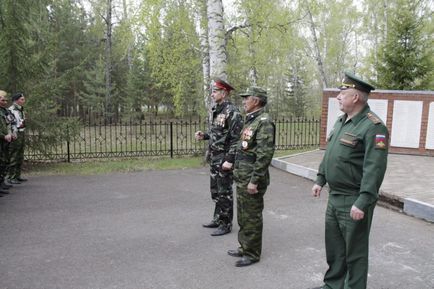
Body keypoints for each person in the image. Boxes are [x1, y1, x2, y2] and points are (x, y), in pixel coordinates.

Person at [310, 71, 389, 289]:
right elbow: (330, 155)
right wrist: (320, 179)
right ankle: (333, 285)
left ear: (355, 97)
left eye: (343, 92)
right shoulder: (342, 121)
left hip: (353, 199)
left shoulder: (374, 127)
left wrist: (363, 201)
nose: (338, 96)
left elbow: (375, 168)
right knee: (335, 249)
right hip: (335, 197)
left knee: (354, 253)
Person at [227, 86, 275, 267]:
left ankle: (252, 253)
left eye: (246, 98)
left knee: (252, 216)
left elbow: (264, 154)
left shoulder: (264, 122)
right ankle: (244, 247)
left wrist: (254, 180)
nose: (244, 101)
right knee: (243, 215)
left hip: (251, 180)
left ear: (256, 100)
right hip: (242, 177)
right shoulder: (251, 120)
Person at [195, 78, 243, 236]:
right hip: (215, 158)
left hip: (224, 159)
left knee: (225, 192)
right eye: (212, 91)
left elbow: (236, 139)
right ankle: (218, 218)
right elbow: (219, 133)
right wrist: (205, 136)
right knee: (216, 191)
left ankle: (226, 223)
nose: (212, 94)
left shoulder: (232, 112)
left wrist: (229, 160)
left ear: (224, 93)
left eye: (215, 91)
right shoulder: (218, 110)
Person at [8, 92, 27, 184]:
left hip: (21, 133)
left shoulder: (21, 109)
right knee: (13, 155)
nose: (24, 101)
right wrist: (13, 133)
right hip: (15, 134)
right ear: (16, 100)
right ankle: (10, 177)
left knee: (20, 155)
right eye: (22, 99)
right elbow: (10, 123)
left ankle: (17, 175)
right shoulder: (11, 110)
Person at [0, 90, 14, 194]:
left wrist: (10, 133)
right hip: (2, 138)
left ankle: (2, 181)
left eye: (5, 99)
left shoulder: (5, 111)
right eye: (3, 99)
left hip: (5, 139)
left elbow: (9, 123)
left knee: (4, 161)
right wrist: (4, 136)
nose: (5, 101)